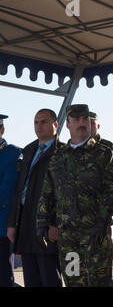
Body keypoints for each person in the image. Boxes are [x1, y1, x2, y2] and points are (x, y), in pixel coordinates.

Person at [36, 104, 113, 287]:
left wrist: (102, 220)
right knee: (73, 280)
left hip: (95, 233)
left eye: (84, 119)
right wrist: (42, 223)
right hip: (68, 235)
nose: (81, 123)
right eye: (76, 119)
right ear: (68, 124)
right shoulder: (58, 157)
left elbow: (111, 190)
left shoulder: (103, 154)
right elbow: (47, 192)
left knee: (99, 281)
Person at [6, 109, 64, 287]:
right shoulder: (29, 151)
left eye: (44, 122)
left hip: (46, 224)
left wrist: (56, 222)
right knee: (31, 277)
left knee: (49, 277)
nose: (39, 126)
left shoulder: (63, 152)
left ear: (55, 125)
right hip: (25, 221)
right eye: (36, 122)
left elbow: (64, 193)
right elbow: (19, 190)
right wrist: (12, 223)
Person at [0, 114, 21, 287]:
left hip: (2, 226)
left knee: (3, 277)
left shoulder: (12, 154)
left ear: (2, 130)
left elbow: (7, 189)